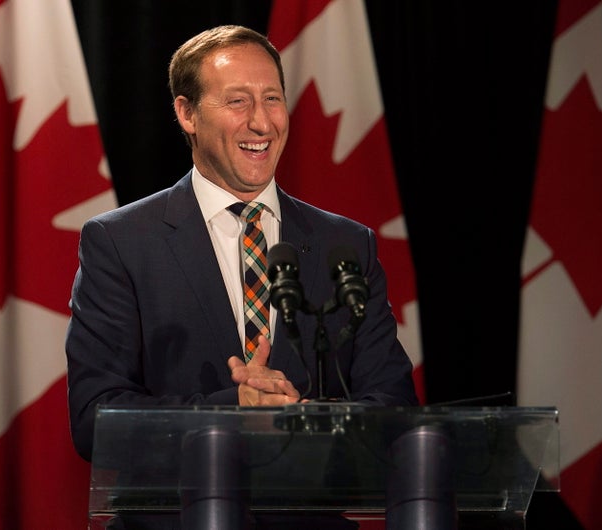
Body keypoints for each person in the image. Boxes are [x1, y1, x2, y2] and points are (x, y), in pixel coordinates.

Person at [65, 24, 418, 529]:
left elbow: (394, 405)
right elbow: (95, 422)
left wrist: (302, 423)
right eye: (237, 101)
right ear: (187, 113)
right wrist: (232, 409)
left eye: (272, 98)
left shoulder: (346, 246)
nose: (262, 122)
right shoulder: (121, 243)